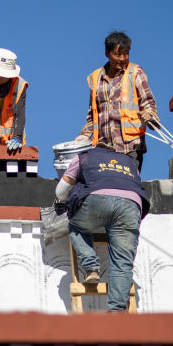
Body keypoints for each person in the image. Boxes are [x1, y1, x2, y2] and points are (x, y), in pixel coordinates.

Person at [55, 144, 149, 313]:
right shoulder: (130, 162)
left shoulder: (85, 156)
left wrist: (65, 199)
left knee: (76, 227)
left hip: (96, 200)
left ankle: (91, 267)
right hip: (131, 205)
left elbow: (61, 191)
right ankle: (117, 311)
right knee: (122, 262)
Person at [76, 31, 159, 170]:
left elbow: (149, 104)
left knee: (127, 183)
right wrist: (84, 135)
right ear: (107, 54)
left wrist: (149, 114)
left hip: (130, 147)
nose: (122, 58)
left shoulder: (135, 73)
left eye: (126, 54)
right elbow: (93, 116)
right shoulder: (95, 79)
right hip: (103, 148)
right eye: (118, 54)